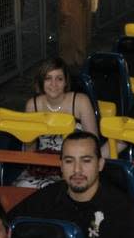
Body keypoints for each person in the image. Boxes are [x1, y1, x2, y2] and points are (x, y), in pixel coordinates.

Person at [15, 57, 98, 188]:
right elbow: (30, 148)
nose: (54, 84)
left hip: (74, 163)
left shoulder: (80, 101)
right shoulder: (33, 105)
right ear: (41, 81)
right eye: (48, 78)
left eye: (59, 79)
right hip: (43, 164)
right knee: (22, 187)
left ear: (66, 82)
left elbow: (93, 142)